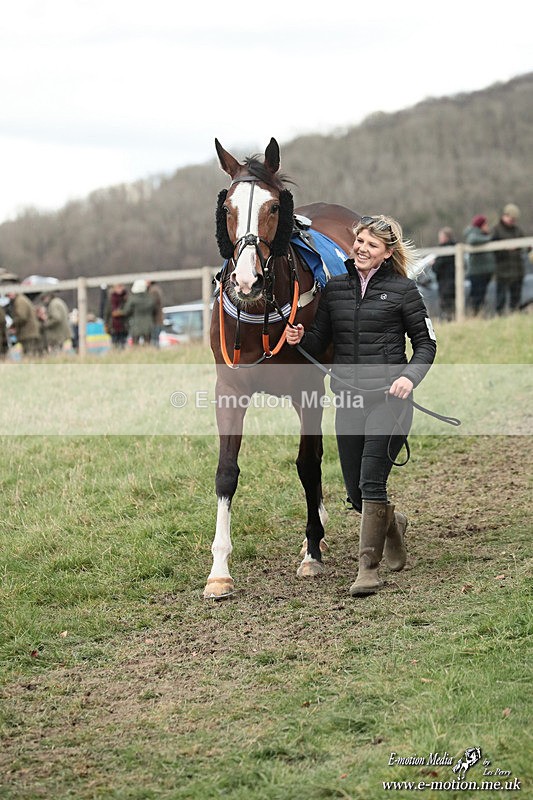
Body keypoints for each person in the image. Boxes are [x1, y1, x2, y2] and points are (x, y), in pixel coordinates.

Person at [286, 214, 437, 597]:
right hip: (349, 398)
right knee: (356, 494)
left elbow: (426, 344)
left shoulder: (404, 291)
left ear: (386, 253)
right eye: (359, 242)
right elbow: (319, 341)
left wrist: (409, 377)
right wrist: (299, 335)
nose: (362, 249)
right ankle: (392, 522)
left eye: (371, 244)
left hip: (391, 398)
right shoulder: (335, 289)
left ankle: (367, 568)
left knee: (372, 480)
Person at [491, 203, 526, 314]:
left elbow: (524, 244)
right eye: (511, 219)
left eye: (514, 219)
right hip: (503, 272)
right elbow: (492, 249)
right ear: (505, 216)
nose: (512, 221)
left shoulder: (518, 230)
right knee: (500, 299)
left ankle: (515, 315)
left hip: (517, 270)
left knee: (516, 300)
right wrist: (506, 249)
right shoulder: (496, 230)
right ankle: (499, 316)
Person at [464, 215, 495, 315]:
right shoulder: (474, 234)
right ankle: (474, 314)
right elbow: (472, 240)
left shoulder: (481, 234)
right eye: (485, 224)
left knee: (480, 296)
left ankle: (477, 314)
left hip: (483, 272)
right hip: (477, 273)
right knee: (477, 297)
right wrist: (489, 238)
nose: (487, 226)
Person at [118, 279, 155, 345]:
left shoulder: (132, 299)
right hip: (148, 324)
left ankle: (136, 354)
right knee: (147, 343)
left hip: (136, 324)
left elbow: (126, 311)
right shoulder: (150, 298)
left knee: (135, 343)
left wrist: (120, 312)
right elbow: (154, 310)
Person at [6, 291, 43, 356]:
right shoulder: (21, 299)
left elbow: (22, 317)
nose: (8, 297)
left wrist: (12, 325)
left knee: (30, 355)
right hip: (29, 332)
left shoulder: (19, 301)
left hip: (28, 333)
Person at [432, 227, 456, 321]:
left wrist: (434, 264)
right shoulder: (454, 247)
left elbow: (437, 267)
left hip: (445, 283)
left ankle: (448, 320)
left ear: (446, 237)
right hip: (452, 282)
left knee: (446, 305)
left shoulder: (443, 251)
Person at [104, 283, 129, 348]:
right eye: (118, 287)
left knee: (123, 345)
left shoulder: (126, 298)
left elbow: (128, 310)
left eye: (121, 286)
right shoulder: (110, 299)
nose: (119, 289)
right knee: (114, 344)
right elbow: (107, 312)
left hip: (124, 326)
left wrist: (120, 313)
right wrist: (106, 324)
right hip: (113, 326)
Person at [147, 279, 164, 346]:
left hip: (155, 320)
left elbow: (153, 305)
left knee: (154, 340)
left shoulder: (153, 291)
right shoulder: (156, 289)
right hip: (157, 319)